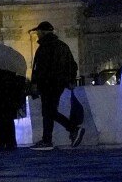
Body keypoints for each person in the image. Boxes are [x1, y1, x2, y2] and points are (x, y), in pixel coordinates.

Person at [31, 21, 85, 149]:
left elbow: (38, 69)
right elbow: (72, 65)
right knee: (49, 112)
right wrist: (70, 80)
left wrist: (34, 84)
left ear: (43, 32)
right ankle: (47, 139)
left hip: (48, 83)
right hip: (59, 83)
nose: (37, 34)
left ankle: (72, 129)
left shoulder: (44, 48)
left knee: (49, 112)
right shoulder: (62, 46)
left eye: (38, 32)